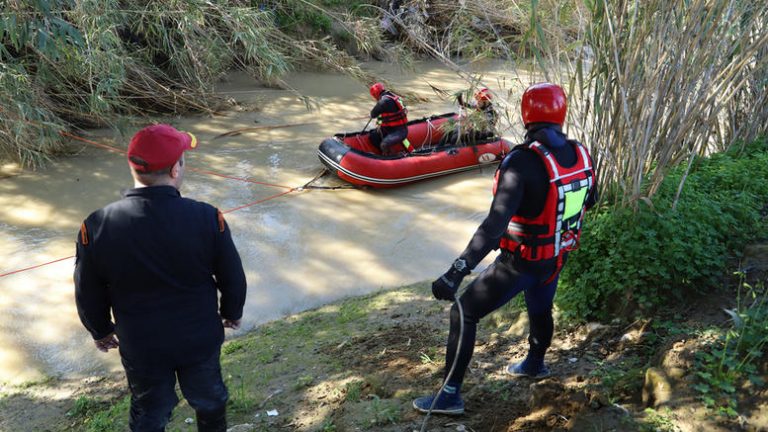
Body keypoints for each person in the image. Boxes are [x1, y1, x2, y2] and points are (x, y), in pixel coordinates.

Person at [413, 83, 598, 415]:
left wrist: (457, 272)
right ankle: (534, 364)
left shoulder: (521, 162)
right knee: (540, 308)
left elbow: (494, 226)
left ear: (527, 114)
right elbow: (590, 202)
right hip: (556, 257)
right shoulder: (580, 153)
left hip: (521, 264)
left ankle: (449, 394)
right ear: (561, 113)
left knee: (463, 312)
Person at [74, 124, 248, 431]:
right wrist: (232, 312)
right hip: (199, 337)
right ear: (175, 169)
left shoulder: (97, 224)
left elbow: (87, 289)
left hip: (141, 343)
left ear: (132, 166)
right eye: (183, 159)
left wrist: (99, 329)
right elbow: (232, 276)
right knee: (209, 399)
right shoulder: (207, 217)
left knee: (149, 409)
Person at [368, 82, 412, 155]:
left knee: (384, 144)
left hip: (399, 131)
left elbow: (373, 114)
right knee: (373, 136)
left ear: (375, 95)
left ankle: (389, 157)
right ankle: (383, 153)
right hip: (391, 128)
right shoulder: (392, 96)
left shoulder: (383, 102)